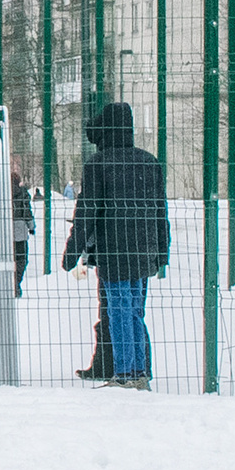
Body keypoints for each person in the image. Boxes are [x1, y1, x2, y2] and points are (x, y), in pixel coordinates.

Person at [60, 101, 171, 390]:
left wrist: (72, 251)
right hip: (144, 250)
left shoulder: (98, 164)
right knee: (134, 310)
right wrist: (162, 249)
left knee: (118, 310)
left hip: (114, 250)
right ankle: (139, 370)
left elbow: (87, 211)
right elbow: (160, 210)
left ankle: (125, 373)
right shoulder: (149, 162)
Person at [12, 168, 36, 298]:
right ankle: (16, 282)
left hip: (6, 230)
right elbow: (27, 211)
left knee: (10, 258)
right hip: (20, 230)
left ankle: (10, 282)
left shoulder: (3, 193)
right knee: (21, 259)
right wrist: (31, 226)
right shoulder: (22, 193)